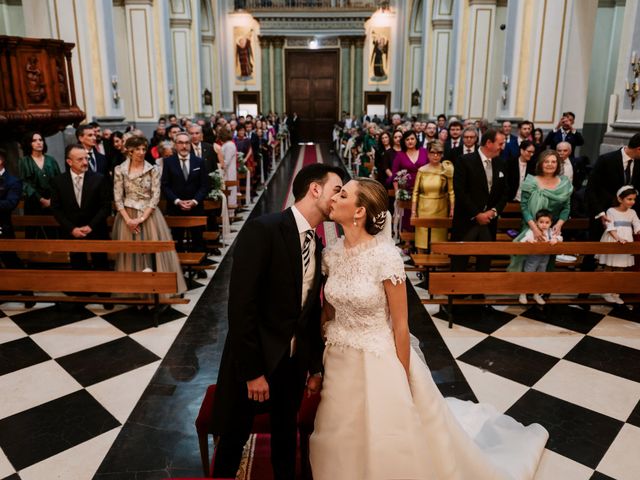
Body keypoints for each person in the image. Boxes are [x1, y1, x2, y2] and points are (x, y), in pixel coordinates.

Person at [310, 177, 548, 480]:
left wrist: (403, 375)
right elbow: (329, 309)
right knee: (339, 430)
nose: (334, 199)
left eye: (342, 195)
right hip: (340, 357)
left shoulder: (385, 258)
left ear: (359, 212)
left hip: (378, 359)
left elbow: (400, 324)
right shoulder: (332, 252)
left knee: (388, 435)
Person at [211, 164, 344, 480]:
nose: (341, 197)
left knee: (287, 442)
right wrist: (253, 371)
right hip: (254, 361)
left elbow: (309, 313)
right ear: (315, 189)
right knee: (232, 441)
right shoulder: (264, 230)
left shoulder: (318, 243)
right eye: (337, 189)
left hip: (292, 364)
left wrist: (313, 366)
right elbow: (241, 307)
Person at [112, 135, 186, 294]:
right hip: (127, 216)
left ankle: (158, 290)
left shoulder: (153, 169)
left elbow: (155, 197)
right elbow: (118, 198)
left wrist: (141, 219)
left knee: (153, 253)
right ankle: (134, 292)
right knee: (132, 254)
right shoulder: (120, 170)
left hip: (149, 216)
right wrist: (129, 220)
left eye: (143, 149)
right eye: (137, 149)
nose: (141, 152)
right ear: (129, 151)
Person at [451, 129, 508, 273]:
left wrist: (494, 211)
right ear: (489, 143)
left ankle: (479, 292)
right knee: (460, 259)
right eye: (500, 143)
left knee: (485, 259)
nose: (502, 147)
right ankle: (458, 292)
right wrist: (477, 214)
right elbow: (460, 192)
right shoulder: (464, 161)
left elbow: (504, 192)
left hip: (489, 221)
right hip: (467, 219)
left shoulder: (501, 163)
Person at [507, 150, 573, 272]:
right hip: (530, 226)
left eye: (553, 161)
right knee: (526, 263)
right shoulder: (531, 181)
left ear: (558, 164)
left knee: (546, 264)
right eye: (546, 161)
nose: (550, 164)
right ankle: (524, 290)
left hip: (552, 230)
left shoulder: (564, 183)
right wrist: (535, 228)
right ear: (540, 164)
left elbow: (566, 207)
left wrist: (559, 225)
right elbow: (524, 206)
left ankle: (542, 290)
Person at [50, 144, 111, 272]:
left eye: (86, 158)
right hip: (72, 231)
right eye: (80, 159)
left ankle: (102, 292)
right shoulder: (58, 181)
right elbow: (56, 209)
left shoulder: (99, 179)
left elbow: (105, 207)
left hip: (96, 230)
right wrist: (71, 229)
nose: (85, 162)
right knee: (78, 265)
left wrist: (91, 226)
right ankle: (82, 292)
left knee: (101, 264)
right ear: (69, 162)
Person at [161, 131, 208, 253]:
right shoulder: (168, 162)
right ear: (175, 145)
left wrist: (194, 201)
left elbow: (204, 186)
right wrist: (177, 201)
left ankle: (200, 268)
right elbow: (165, 186)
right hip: (176, 208)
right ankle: (179, 268)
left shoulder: (199, 161)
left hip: (196, 208)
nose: (184, 146)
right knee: (177, 241)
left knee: (198, 240)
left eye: (187, 143)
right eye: (180, 143)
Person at [595, 186, 640, 304]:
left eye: (634, 199)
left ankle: (616, 292)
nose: (632, 202)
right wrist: (618, 238)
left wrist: (638, 230)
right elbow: (610, 227)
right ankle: (606, 291)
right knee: (610, 267)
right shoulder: (611, 211)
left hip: (627, 240)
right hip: (614, 239)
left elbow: (637, 224)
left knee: (621, 268)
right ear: (620, 199)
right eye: (629, 199)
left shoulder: (632, 212)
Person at [411, 141, 454, 251]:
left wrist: (452, 210)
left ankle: (438, 260)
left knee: (439, 237)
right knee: (422, 235)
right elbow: (415, 192)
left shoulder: (446, 169)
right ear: (428, 154)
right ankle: (420, 262)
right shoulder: (422, 170)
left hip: (441, 207)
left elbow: (451, 191)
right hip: (423, 207)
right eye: (433, 153)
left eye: (439, 153)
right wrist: (413, 211)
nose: (436, 156)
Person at [18, 131, 61, 239]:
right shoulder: (24, 161)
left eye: (40, 140)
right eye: (34, 140)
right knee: (33, 233)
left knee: (53, 232)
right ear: (29, 143)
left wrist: (52, 199)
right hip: (33, 202)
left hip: (52, 202)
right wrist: (41, 199)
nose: (38, 143)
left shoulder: (51, 160)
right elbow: (24, 183)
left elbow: (59, 181)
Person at [518, 209, 563, 305]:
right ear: (536, 222)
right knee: (528, 275)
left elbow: (560, 238)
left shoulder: (551, 232)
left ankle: (536, 294)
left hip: (544, 259)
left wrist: (556, 239)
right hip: (532, 259)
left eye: (547, 222)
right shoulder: (532, 231)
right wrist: (529, 240)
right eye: (541, 222)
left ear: (551, 223)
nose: (544, 224)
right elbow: (523, 240)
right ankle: (523, 293)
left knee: (540, 276)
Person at [391, 130, 428, 231]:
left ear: (416, 140)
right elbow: (395, 175)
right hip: (406, 191)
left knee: (422, 213)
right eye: (407, 139)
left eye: (412, 139)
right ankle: (407, 240)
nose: (410, 141)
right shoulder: (400, 155)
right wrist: (397, 191)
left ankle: (420, 238)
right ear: (404, 141)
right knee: (407, 215)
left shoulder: (424, 151)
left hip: (423, 189)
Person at [0, 149, 22, 269]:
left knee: (9, 259)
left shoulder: (13, 181)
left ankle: (19, 286)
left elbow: (10, 203)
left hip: (3, 226)